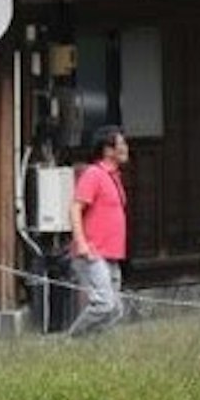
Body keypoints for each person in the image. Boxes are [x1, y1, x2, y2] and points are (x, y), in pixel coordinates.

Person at [65, 128, 130, 333]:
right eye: (121, 144)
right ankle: (72, 340)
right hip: (93, 252)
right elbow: (75, 207)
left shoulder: (114, 177)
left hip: (111, 253)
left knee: (116, 309)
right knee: (104, 304)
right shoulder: (94, 174)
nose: (125, 148)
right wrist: (81, 242)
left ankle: (91, 343)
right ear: (107, 149)